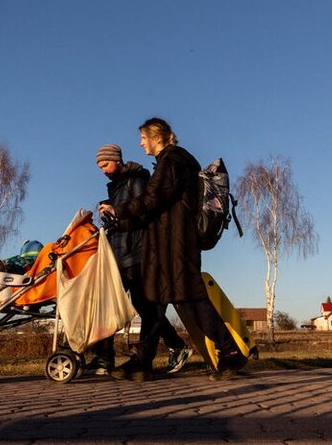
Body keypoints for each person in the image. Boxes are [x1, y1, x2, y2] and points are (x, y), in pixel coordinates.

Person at [99, 118, 246, 381]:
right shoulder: (170, 161)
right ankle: (143, 362)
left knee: (191, 300)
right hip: (164, 244)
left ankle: (230, 352)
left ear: (156, 137)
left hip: (177, 244)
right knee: (153, 303)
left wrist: (118, 210)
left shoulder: (174, 160)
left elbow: (154, 198)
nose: (141, 143)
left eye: (143, 138)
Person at [86, 143, 193, 378]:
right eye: (99, 166)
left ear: (117, 159)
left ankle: (174, 347)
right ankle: (104, 357)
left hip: (138, 253)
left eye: (105, 164)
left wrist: (116, 213)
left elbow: (144, 212)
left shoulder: (137, 179)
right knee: (107, 304)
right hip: (119, 254)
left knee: (145, 307)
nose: (102, 169)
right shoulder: (115, 186)